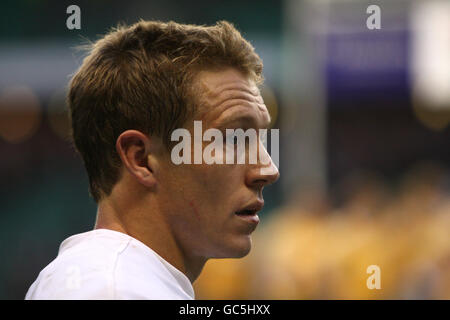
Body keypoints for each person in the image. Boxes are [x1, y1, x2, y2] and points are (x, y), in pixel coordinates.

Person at [25, 20, 279, 300]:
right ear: (141, 159)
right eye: (233, 138)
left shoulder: (123, 280)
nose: (268, 170)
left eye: (260, 139)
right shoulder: (110, 289)